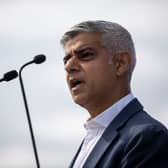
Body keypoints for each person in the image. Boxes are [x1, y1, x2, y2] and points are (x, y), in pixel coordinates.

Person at [60, 20, 168, 168]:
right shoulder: (93, 136)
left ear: (120, 63)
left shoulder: (148, 137)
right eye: (66, 60)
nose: (69, 66)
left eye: (85, 55)